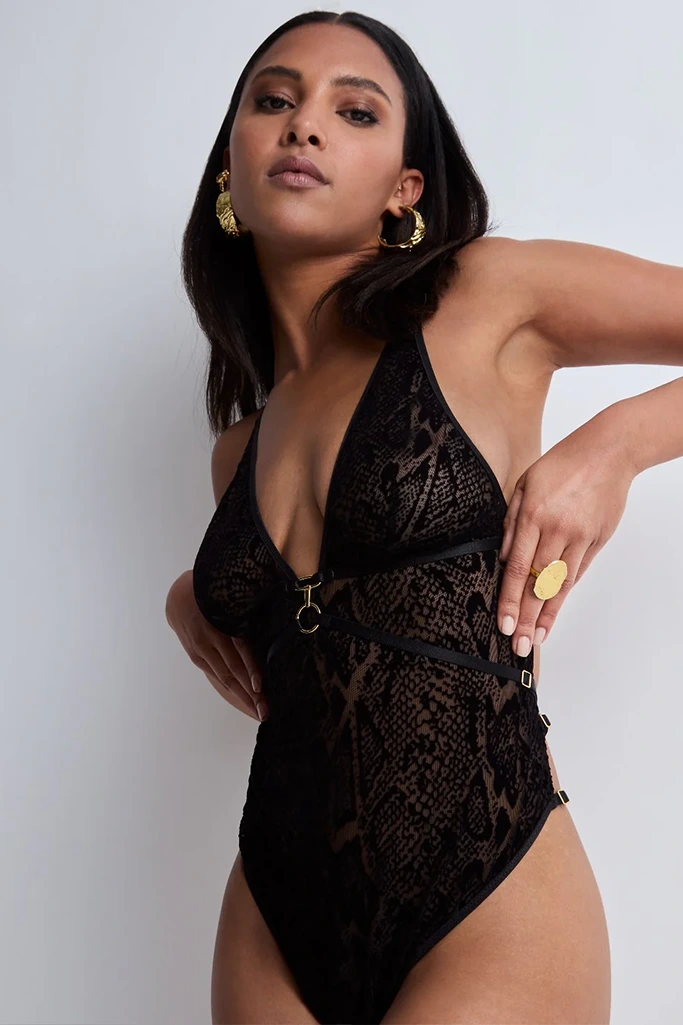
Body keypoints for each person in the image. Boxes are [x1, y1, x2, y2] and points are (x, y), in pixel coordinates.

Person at [165, 9, 683, 1024]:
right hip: (270, 912)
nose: (304, 123)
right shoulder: (237, 451)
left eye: (353, 111)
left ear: (405, 189)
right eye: (273, 100)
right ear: (229, 169)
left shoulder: (487, 294)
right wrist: (194, 590)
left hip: (485, 885)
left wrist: (616, 444)